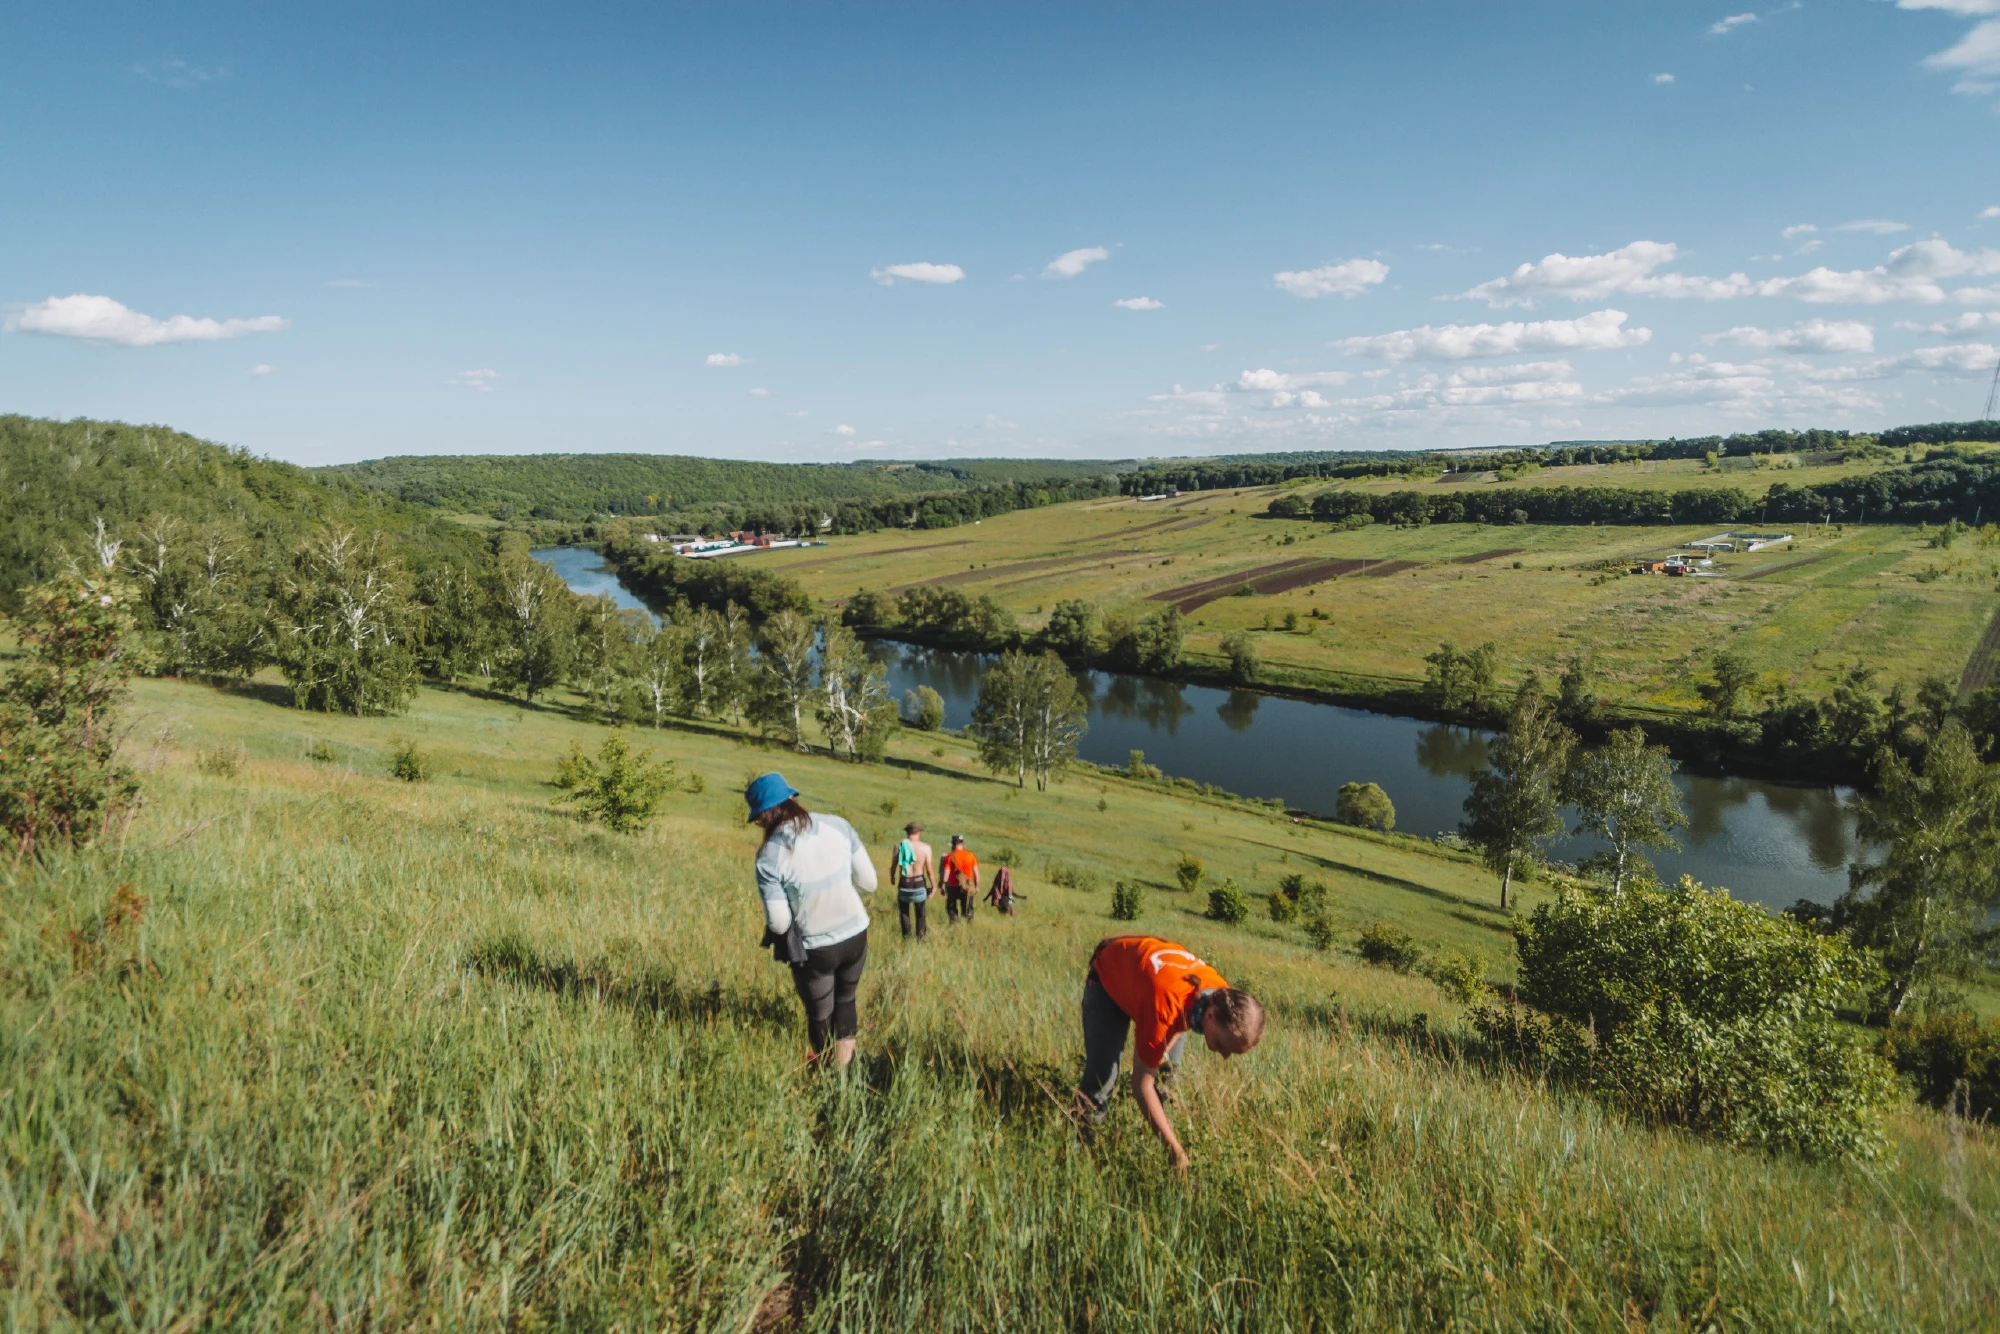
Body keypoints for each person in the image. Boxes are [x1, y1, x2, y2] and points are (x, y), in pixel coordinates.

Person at [1076, 934, 1265, 1171]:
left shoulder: (1221, 997)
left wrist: (1159, 1054)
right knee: (1102, 1077)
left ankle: (1158, 1144)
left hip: (1149, 987)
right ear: (1210, 1016)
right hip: (1109, 981)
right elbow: (1141, 1083)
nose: (1224, 1056)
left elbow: (1182, 1015)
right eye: (1225, 1047)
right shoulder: (1166, 1007)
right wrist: (1176, 1153)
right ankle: (1082, 1155)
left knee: (1165, 1080)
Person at [746, 772, 877, 1070]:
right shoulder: (839, 825)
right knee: (846, 1000)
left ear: (765, 817)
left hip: (816, 947)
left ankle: (825, 1071)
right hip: (856, 934)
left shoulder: (769, 855)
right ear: (792, 799)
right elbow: (869, 882)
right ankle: (845, 1070)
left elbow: (779, 924)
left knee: (820, 1013)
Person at [890, 820, 936, 940]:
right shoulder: (926, 848)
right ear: (919, 833)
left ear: (907, 832)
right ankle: (920, 938)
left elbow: (893, 866)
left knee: (904, 911)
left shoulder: (898, 846)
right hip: (919, 881)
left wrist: (892, 878)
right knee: (921, 913)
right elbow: (929, 870)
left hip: (905, 881)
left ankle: (906, 937)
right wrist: (934, 886)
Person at [940, 833, 980, 923]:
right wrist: (976, 887)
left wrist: (941, 886)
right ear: (963, 844)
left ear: (953, 844)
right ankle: (968, 928)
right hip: (967, 886)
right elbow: (977, 875)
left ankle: (954, 925)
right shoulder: (971, 855)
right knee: (967, 909)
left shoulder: (949, 857)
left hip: (953, 886)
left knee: (951, 908)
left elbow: (945, 877)